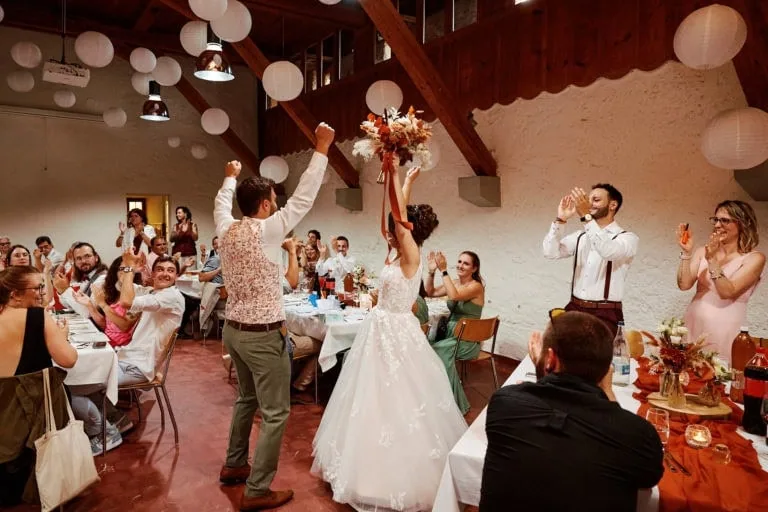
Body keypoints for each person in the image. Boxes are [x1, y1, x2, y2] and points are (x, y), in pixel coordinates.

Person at [312, 167, 467, 511]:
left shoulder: (411, 253)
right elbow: (398, 219)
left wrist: (397, 175)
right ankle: (361, 465)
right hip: (378, 327)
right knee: (370, 394)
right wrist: (406, 183)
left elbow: (399, 219)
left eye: (400, 226)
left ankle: (395, 473)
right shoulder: (397, 252)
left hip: (397, 329)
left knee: (398, 395)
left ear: (409, 230)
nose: (394, 230)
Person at [215, 122, 335, 511]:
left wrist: (229, 179)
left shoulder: (225, 230)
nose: (277, 205)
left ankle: (234, 465)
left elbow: (220, 204)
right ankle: (257, 489)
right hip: (263, 335)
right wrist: (321, 149)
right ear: (266, 205)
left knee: (245, 400)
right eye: (273, 199)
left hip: (232, 330)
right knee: (276, 412)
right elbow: (303, 199)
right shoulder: (269, 230)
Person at [480, 311, 664, 511]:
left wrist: (543, 368)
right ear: (605, 370)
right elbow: (648, 477)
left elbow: (552, 405)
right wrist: (608, 391)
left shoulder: (504, 403)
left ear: (550, 359)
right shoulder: (637, 435)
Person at [542, 184, 639, 335]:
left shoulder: (627, 238)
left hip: (605, 313)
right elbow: (550, 252)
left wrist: (586, 216)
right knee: (564, 354)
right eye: (588, 200)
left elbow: (607, 251)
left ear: (613, 205)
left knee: (597, 358)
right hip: (575, 306)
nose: (589, 204)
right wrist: (560, 220)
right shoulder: (581, 235)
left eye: (596, 200)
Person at [678, 200, 765, 361]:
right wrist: (686, 253)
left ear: (742, 224)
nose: (718, 225)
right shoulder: (702, 251)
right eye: (716, 220)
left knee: (720, 377)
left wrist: (712, 260)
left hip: (724, 327)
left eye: (724, 220)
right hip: (693, 324)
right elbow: (684, 285)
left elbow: (727, 291)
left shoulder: (754, 258)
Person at [425, 250, 485, 414]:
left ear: (474, 268)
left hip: (467, 340)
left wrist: (444, 271)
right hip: (451, 335)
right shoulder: (456, 283)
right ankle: (437, 397)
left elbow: (454, 295)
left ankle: (456, 404)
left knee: (439, 351)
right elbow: (430, 292)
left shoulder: (476, 286)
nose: (460, 265)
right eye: (459, 261)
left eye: (466, 263)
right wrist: (431, 272)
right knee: (426, 347)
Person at [0, 266, 76, 376]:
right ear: (16, 294)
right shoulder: (37, 316)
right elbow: (69, 360)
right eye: (38, 288)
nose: (43, 293)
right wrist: (62, 337)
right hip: (34, 392)